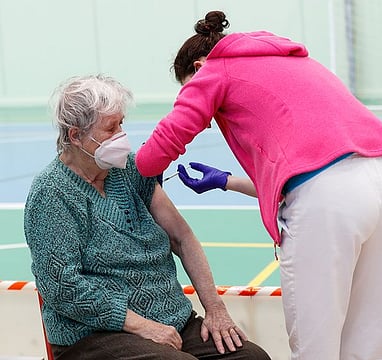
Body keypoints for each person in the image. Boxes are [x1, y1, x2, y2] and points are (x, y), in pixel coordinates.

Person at [134, 10, 382, 360]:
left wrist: (147, 163)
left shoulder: (214, 69)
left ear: (199, 66)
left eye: (188, 87)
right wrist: (225, 182)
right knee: (369, 335)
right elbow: (312, 169)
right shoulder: (290, 60)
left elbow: (154, 155)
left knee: (316, 344)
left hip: (331, 199)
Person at [23, 75, 271, 360]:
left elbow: (182, 237)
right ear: (76, 136)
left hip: (172, 320)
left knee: (251, 358)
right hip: (94, 336)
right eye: (110, 128)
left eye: (121, 124)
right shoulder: (51, 193)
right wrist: (142, 326)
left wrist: (215, 308)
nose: (121, 135)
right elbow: (62, 287)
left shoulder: (130, 169)